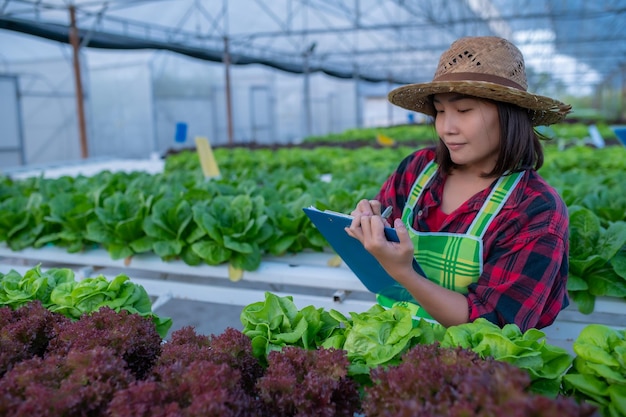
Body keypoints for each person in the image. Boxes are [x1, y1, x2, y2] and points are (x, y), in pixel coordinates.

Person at [345, 36, 572, 332]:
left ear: (509, 116)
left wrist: (405, 273)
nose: (446, 128)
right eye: (439, 111)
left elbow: (496, 326)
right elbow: (379, 254)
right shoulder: (417, 170)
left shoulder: (536, 209)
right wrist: (369, 226)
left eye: (463, 110)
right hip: (390, 340)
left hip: (473, 369)